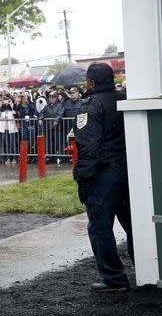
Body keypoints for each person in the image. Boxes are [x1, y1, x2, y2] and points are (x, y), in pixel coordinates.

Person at [74, 62, 133, 292]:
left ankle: (114, 279)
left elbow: (88, 147)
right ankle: (149, 269)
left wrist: (83, 179)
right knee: (134, 225)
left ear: (91, 82)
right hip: (127, 170)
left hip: (103, 174)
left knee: (99, 227)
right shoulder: (123, 99)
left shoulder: (90, 106)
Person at [38, 91, 64, 161]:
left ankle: (61, 157)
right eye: (50, 97)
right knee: (49, 143)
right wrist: (40, 118)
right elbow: (42, 113)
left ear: (56, 98)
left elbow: (60, 113)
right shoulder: (47, 106)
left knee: (58, 142)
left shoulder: (60, 105)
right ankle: (50, 157)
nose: (51, 99)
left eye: (53, 97)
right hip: (48, 127)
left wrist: (56, 120)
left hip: (57, 127)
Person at [0, 96, 18, 163]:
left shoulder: (11, 110)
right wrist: (0, 104)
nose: (6, 102)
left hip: (11, 129)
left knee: (12, 143)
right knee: (6, 143)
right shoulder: (2, 110)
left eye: (7, 101)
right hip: (4, 129)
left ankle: (14, 158)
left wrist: (11, 103)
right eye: (5, 101)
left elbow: (15, 112)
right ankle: (8, 158)